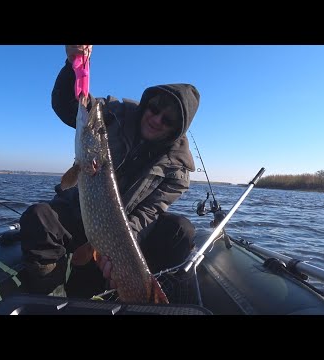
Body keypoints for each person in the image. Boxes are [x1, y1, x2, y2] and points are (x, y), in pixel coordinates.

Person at [17, 45, 200, 298]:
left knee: (181, 230)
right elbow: (70, 104)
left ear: (176, 131)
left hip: (124, 230)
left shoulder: (177, 172)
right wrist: (75, 63)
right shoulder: (112, 113)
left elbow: (147, 214)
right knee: (39, 217)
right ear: (146, 104)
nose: (156, 119)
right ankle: (53, 300)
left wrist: (117, 252)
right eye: (154, 108)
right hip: (81, 211)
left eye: (167, 120)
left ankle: (145, 293)